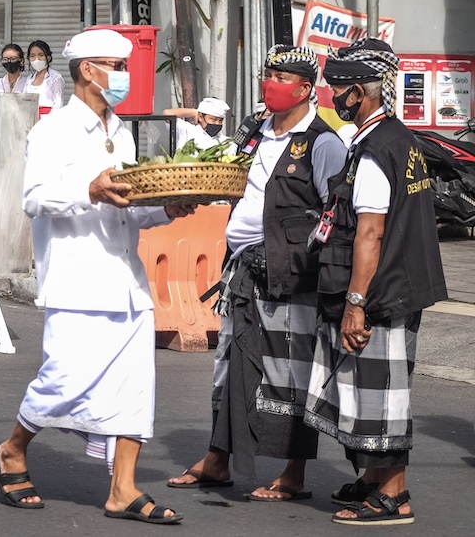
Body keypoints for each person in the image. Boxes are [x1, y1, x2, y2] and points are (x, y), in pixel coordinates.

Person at [0, 29, 194, 525]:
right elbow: (34, 199)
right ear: (86, 70)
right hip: (77, 278)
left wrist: (164, 208)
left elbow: (128, 212)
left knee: (133, 388)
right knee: (62, 379)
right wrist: (90, 190)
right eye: (114, 66)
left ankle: (122, 488)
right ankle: (13, 449)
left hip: (126, 280)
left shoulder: (119, 132)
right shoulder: (52, 131)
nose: (123, 77)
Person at [167, 44, 347, 499]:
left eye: (282, 78)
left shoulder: (323, 142)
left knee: (289, 372)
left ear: (306, 89)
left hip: (292, 275)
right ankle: (217, 459)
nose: (272, 83)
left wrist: (302, 255)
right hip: (242, 268)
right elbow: (228, 176)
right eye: (269, 75)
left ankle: (293, 473)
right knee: (230, 365)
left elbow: (336, 213)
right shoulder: (256, 131)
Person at [304, 39, 447, 526]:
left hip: (381, 290)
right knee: (367, 388)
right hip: (402, 282)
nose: (332, 97)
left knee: (380, 393)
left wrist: (356, 303)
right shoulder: (398, 138)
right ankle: (371, 478)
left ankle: (394, 495)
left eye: (338, 89)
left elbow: (370, 230)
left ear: (361, 92)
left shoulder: (374, 149)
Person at [163, 96, 230, 150]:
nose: (217, 123)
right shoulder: (187, 130)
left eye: (220, 120)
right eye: (213, 119)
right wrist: (193, 112)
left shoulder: (225, 141)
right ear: (201, 117)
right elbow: (167, 114)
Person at [26, 40, 65, 117]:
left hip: (47, 120)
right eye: (32, 56)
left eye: (41, 55)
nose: (36, 59)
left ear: (48, 57)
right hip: (30, 119)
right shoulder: (29, 79)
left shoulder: (55, 77)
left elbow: (58, 104)